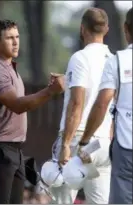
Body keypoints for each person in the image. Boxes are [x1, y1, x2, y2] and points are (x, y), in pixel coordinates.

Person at [0, 19, 64, 204]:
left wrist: (49, 90)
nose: (16, 42)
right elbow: (17, 105)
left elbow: (23, 102)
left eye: (17, 37)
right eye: (9, 38)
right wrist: (50, 91)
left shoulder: (11, 69)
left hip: (14, 150)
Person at [51, 8, 114, 204]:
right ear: (107, 29)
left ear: (82, 28)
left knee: (61, 200)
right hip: (103, 142)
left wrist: (65, 145)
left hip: (78, 138)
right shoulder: (113, 61)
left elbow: (77, 103)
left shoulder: (80, 58)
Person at [79, 7, 133, 204]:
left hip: (126, 146)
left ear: (126, 29)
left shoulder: (117, 61)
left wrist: (85, 140)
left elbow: (102, 104)